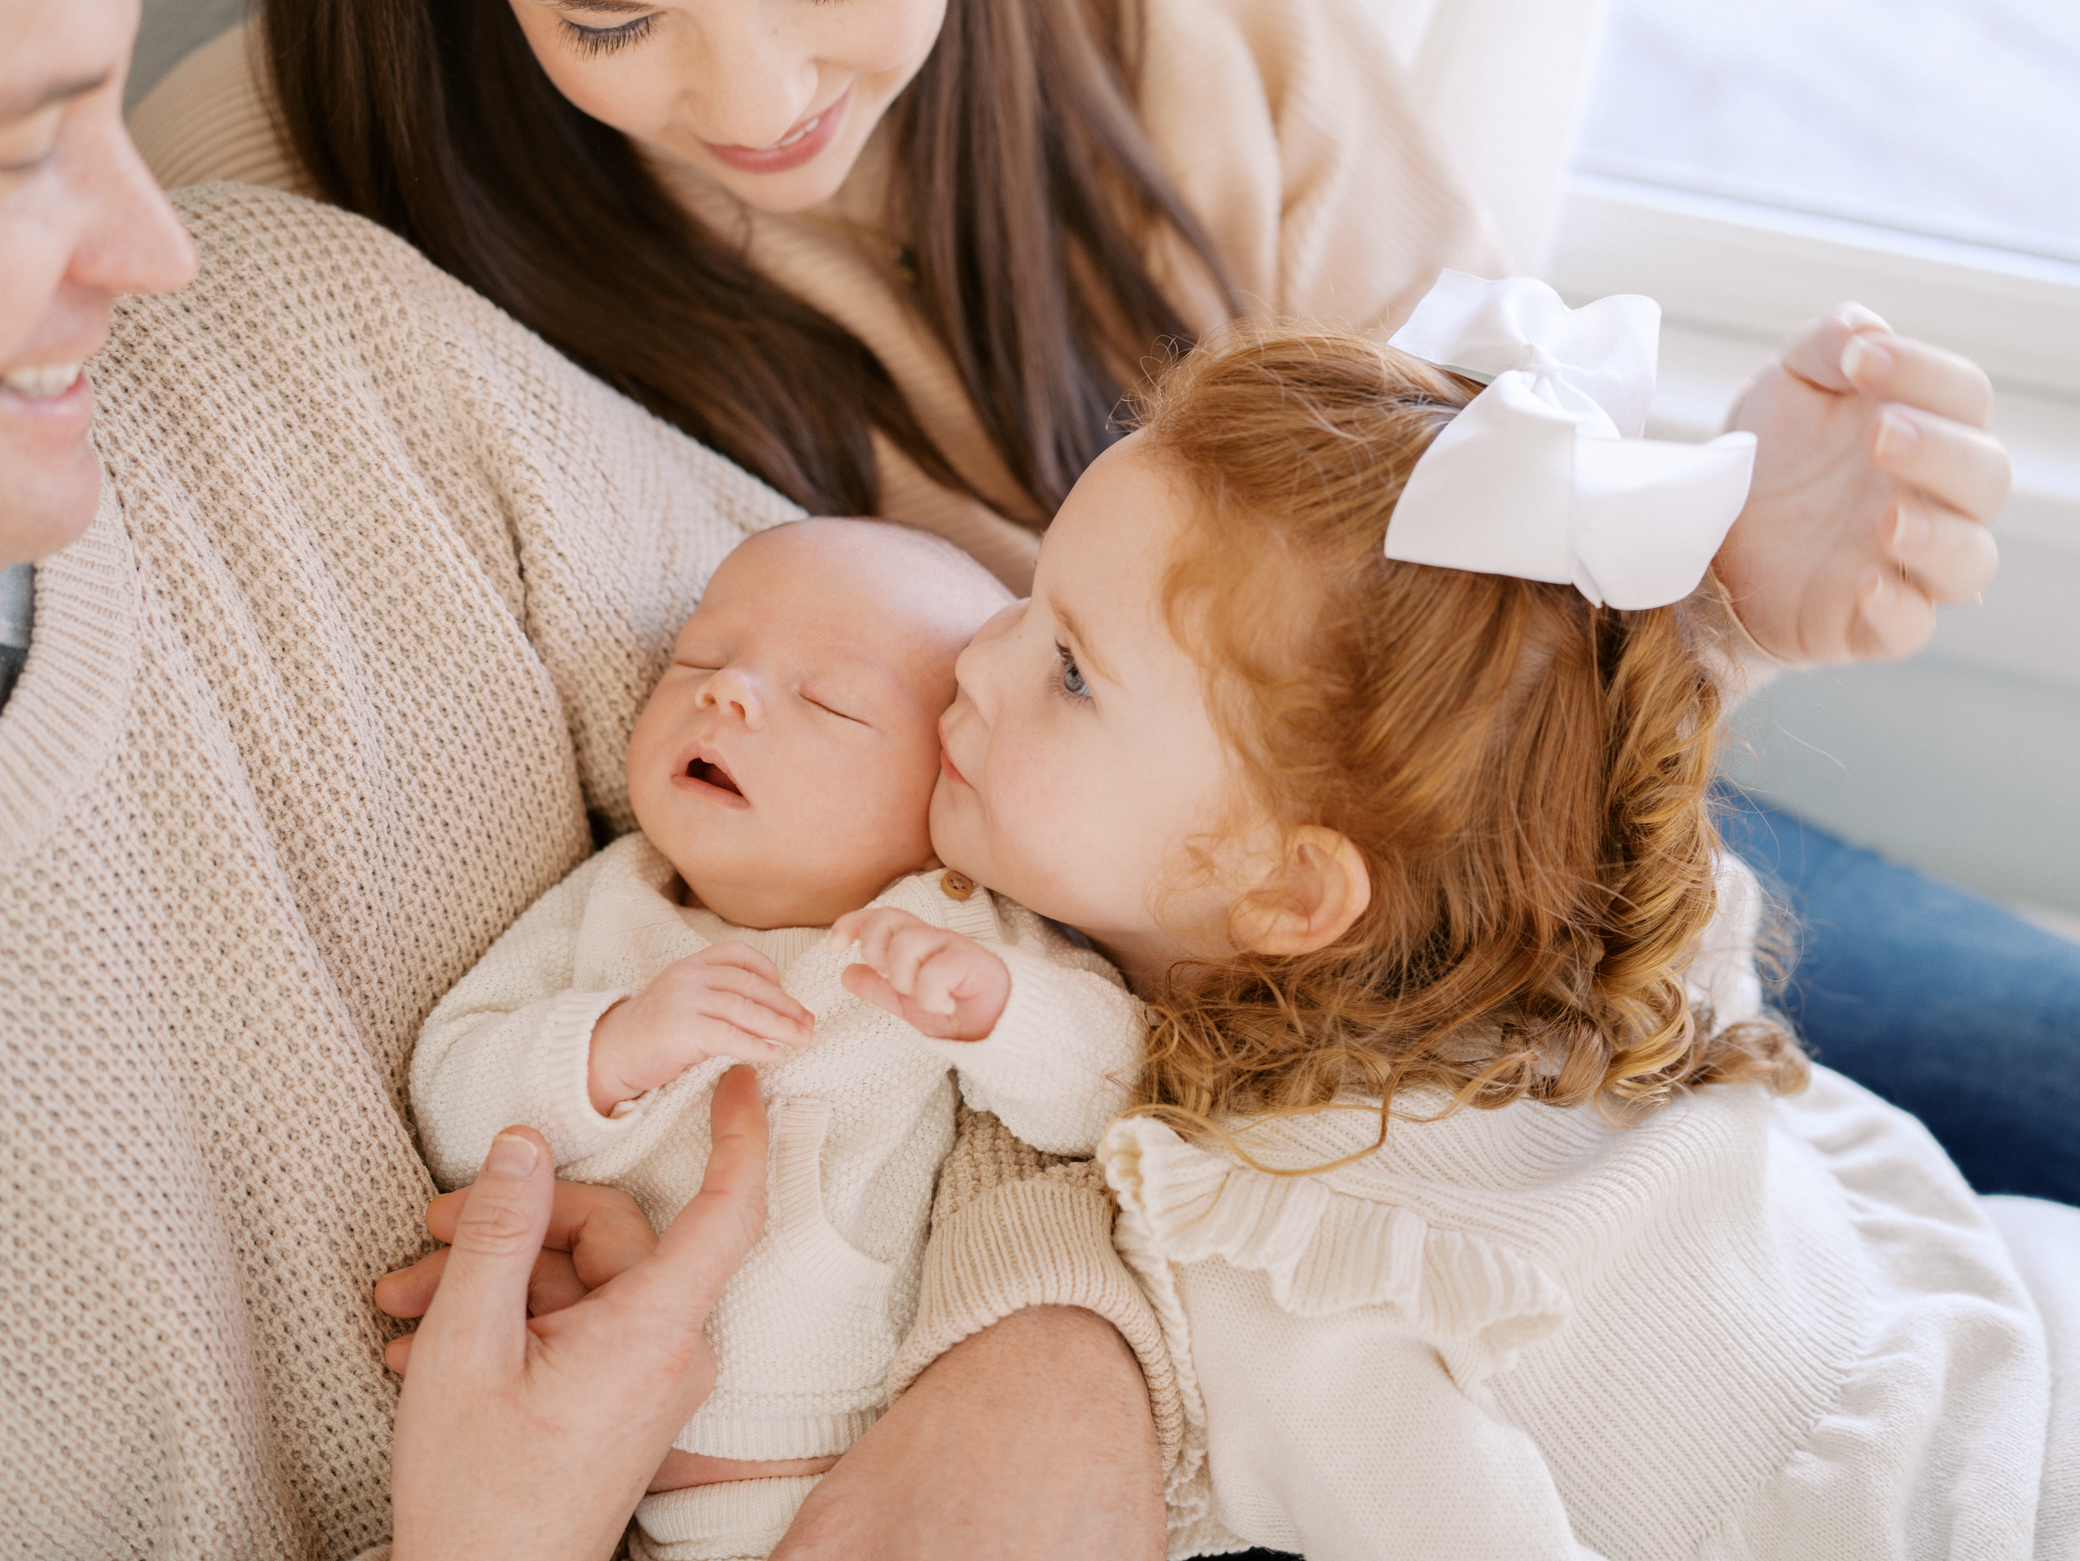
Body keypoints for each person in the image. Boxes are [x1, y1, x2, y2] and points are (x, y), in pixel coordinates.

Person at [128, 0, 2072, 1205]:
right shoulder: (268, 194)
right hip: (1053, 1067)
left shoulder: (1181, 39)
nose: (756, 85)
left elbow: (1464, 594)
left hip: (1455, 856)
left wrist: (1700, 578)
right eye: (614, 12)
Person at [0, 2, 1168, 1555]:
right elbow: (486, 1076)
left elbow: (1120, 955)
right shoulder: (616, 915)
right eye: (20, 151)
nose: (159, 242)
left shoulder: (306, 337)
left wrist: (1044, 1361)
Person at [867, 289, 2077, 1557]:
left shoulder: (1288, 1248)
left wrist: (1699, 607)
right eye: (1030, 602)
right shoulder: (1470, 1026)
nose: (969, 657)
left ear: (1291, 891)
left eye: (1068, 670)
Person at [411, 518, 1146, 1558]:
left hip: (837, 1478)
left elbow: (1113, 1098)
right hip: (572, 1475)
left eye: (828, 700)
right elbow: (449, 1089)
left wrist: (997, 1009)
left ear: (949, 779)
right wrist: (614, 1046)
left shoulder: (950, 928)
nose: (726, 692)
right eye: (699, 658)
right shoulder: (614, 902)